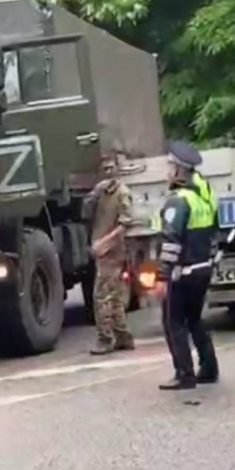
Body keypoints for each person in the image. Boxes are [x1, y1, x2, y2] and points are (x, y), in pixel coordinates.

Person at [154, 140, 220, 390]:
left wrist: (162, 277)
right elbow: (215, 232)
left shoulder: (178, 202)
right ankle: (209, 367)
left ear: (179, 170)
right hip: (203, 268)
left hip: (182, 274)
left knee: (173, 322)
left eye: (170, 166)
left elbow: (171, 243)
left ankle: (185, 373)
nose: (168, 172)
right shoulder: (205, 198)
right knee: (195, 319)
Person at [83, 152, 135, 355]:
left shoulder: (122, 193)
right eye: (104, 169)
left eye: (110, 168)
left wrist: (105, 242)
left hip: (113, 251)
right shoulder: (101, 192)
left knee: (101, 295)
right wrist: (93, 195)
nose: (107, 172)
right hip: (103, 251)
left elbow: (125, 223)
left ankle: (105, 338)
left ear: (117, 168)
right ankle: (123, 336)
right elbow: (86, 213)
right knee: (112, 295)